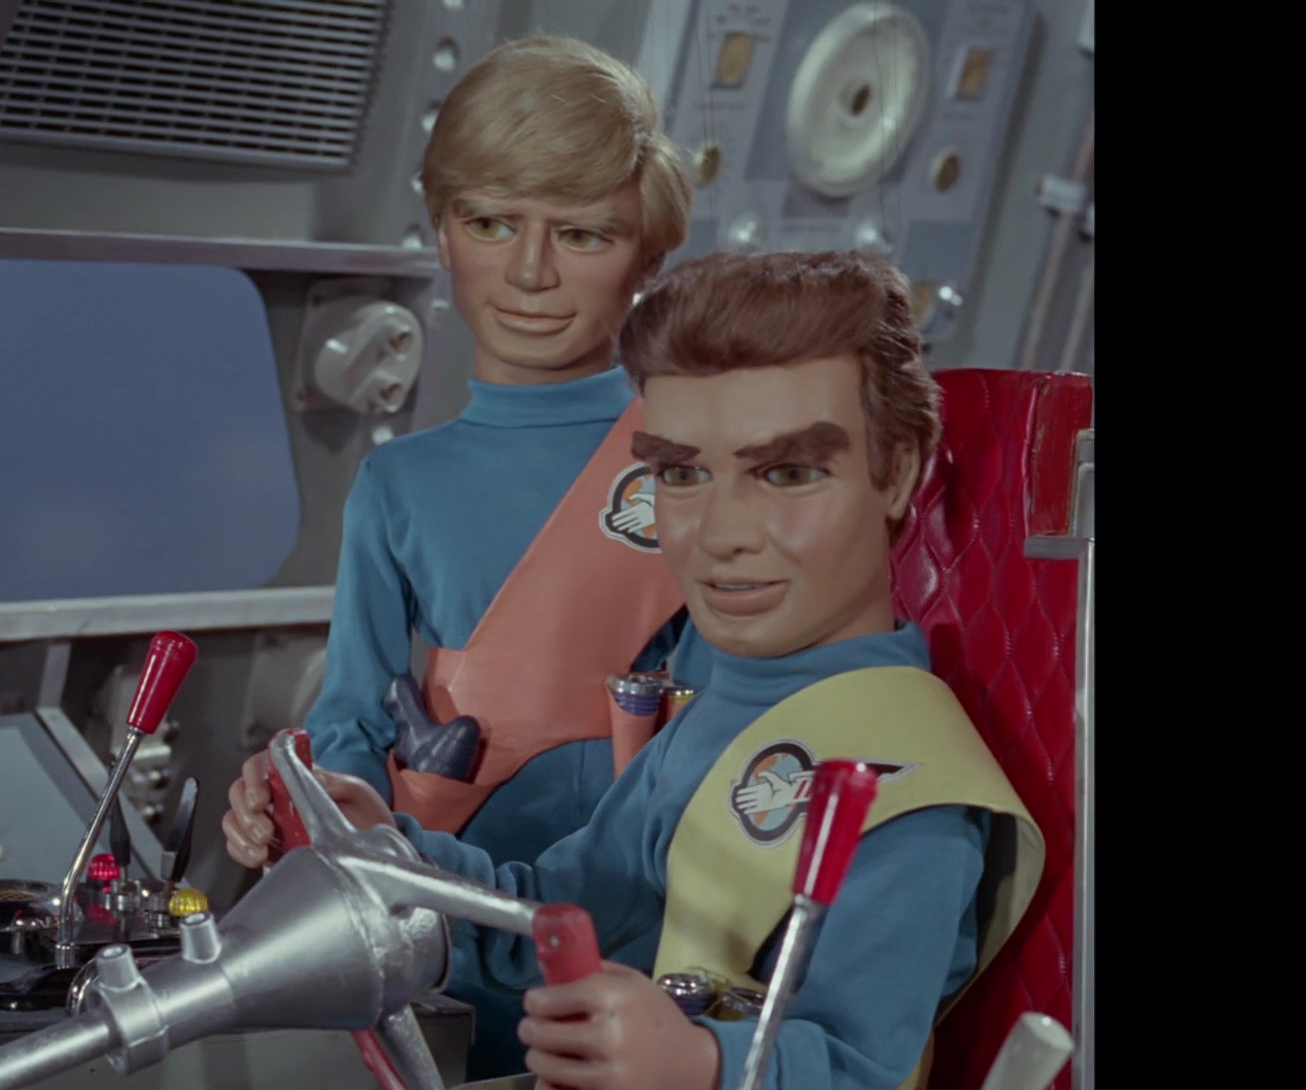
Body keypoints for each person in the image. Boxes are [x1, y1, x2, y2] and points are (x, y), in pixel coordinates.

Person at [229, 251, 1046, 1090]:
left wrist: (699, 1062)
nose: (720, 533)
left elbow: (861, 1071)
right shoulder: (726, 708)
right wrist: (385, 847)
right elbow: (557, 913)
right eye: (682, 474)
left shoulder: (911, 792)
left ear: (897, 472)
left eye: (788, 473)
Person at [223, 35, 710, 1080]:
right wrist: (298, 800)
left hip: (641, 948)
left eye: (581, 233)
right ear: (444, 232)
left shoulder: (700, 461)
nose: (530, 273)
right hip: (433, 934)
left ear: (648, 255)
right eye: (493, 223)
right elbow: (350, 721)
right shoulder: (397, 483)